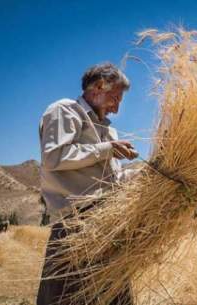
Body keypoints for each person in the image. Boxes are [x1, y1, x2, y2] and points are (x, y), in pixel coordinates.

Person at [36, 62, 138, 305]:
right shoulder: (65, 111)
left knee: (115, 297)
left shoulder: (108, 131)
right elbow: (54, 157)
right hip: (75, 226)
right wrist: (107, 149)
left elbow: (112, 181)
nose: (117, 107)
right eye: (115, 97)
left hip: (106, 226)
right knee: (68, 298)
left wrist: (144, 174)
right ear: (98, 87)